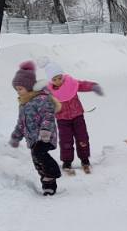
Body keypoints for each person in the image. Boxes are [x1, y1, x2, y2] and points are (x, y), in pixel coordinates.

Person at [10, 61, 61, 195]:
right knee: (37, 162)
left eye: (20, 88)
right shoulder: (23, 104)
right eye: (16, 89)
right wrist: (16, 136)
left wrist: (45, 132)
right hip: (33, 139)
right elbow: (21, 123)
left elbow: (48, 116)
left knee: (40, 154)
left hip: (45, 136)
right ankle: (47, 185)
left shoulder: (41, 99)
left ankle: (53, 172)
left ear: (29, 87)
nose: (18, 91)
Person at [43, 63, 103, 174]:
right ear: (51, 80)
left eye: (59, 78)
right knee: (66, 140)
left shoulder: (70, 83)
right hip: (62, 119)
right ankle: (67, 161)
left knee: (82, 138)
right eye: (54, 79)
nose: (58, 81)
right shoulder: (50, 91)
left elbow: (82, 85)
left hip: (77, 116)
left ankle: (84, 159)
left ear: (62, 76)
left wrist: (93, 86)